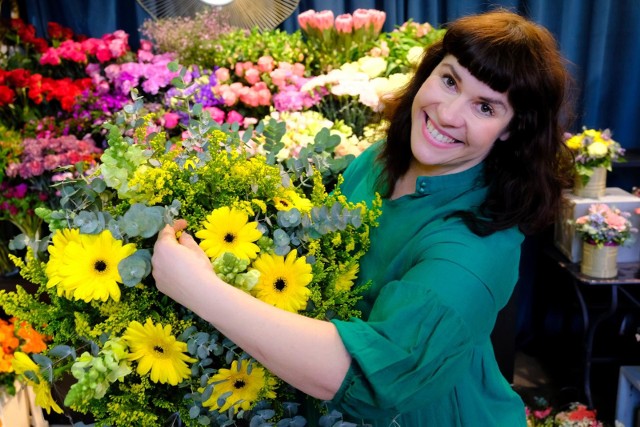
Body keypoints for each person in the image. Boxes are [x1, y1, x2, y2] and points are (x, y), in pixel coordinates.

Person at [152, 8, 575, 426]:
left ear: (512, 130)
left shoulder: (473, 248)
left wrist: (200, 291)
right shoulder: (380, 159)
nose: (448, 114)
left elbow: (371, 379)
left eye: (486, 107)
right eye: (449, 81)